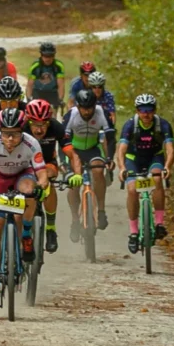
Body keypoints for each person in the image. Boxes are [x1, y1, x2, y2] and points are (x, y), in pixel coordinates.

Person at [0, 108, 50, 308]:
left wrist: (41, 187)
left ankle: (26, 234)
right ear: (0, 132)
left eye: (15, 134)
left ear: (22, 132)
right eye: (6, 133)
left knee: (29, 190)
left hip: (22, 175)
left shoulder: (31, 143)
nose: (10, 139)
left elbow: (42, 175)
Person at [115, 94, 174, 253]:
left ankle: (159, 223)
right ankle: (133, 232)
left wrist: (167, 167)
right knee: (132, 190)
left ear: (154, 110)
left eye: (149, 110)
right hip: (133, 159)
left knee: (157, 180)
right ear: (137, 111)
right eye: (142, 110)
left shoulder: (163, 125)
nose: (146, 114)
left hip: (154, 158)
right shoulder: (130, 125)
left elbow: (170, 149)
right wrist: (122, 168)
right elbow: (121, 150)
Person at [24, 98, 82, 253]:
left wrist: (77, 174)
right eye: (35, 125)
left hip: (47, 163)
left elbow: (72, 154)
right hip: (24, 165)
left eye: (43, 125)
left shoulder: (56, 127)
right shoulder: (20, 128)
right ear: (28, 121)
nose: (39, 130)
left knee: (48, 180)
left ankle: (50, 228)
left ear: (49, 122)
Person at [63, 88, 111, 240]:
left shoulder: (102, 113)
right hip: (74, 151)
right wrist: (63, 161)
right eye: (83, 108)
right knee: (74, 183)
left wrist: (109, 159)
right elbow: (62, 140)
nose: (87, 111)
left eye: (90, 108)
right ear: (78, 106)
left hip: (93, 149)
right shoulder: (71, 115)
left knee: (98, 171)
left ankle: (101, 211)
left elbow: (110, 137)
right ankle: (74, 221)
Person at [26, 42, 66, 114]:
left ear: (54, 55)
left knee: (53, 116)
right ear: (41, 55)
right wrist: (29, 99)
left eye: (50, 56)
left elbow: (61, 85)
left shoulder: (59, 66)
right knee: (37, 114)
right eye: (45, 56)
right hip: (38, 92)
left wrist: (60, 99)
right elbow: (30, 85)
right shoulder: (35, 66)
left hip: (53, 92)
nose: (48, 59)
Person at [86, 71, 117, 162]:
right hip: (88, 121)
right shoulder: (85, 96)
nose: (97, 89)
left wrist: (112, 127)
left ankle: (108, 160)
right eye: (94, 87)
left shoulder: (108, 96)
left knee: (107, 137)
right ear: (90, 87)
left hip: (104, 122)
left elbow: (112, 114)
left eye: (99, 87)